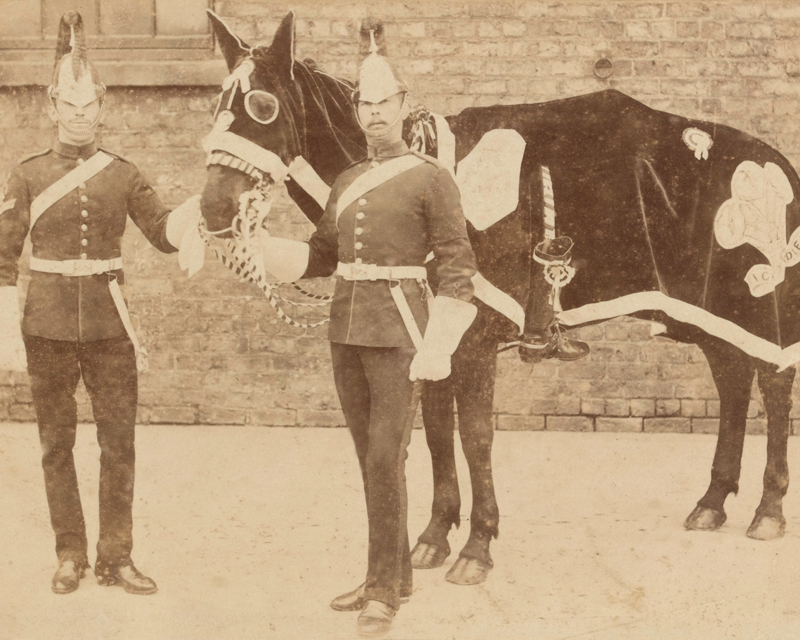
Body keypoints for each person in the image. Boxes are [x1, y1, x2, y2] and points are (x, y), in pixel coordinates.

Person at [254, 18, 478, 638]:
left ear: (404, 106)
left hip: (402, 334)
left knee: (386, 457)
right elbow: (322, 255)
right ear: (355, 110)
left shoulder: (434, 179)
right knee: (370, 460)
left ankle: (385, 590)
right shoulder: (348, 181)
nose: (374, 113)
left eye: (385, 102)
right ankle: (390, 575)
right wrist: (261, 248)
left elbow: (459, 266)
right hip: (346, 332)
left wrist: (440, 341)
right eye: (365, 103)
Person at [0, 11, 199, 595]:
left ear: (102, 109)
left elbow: (163, 234)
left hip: (111, 327)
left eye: (90, 108)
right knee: (55, 445)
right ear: (53, 107)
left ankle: (116, 557)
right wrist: (6, 325)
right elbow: (1, 254)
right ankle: (69, 554)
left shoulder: (124, 174)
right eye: (71, 106)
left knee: (119, 445)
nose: (81, 117)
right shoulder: (28, 175)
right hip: (48, 327)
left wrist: (203, 210)